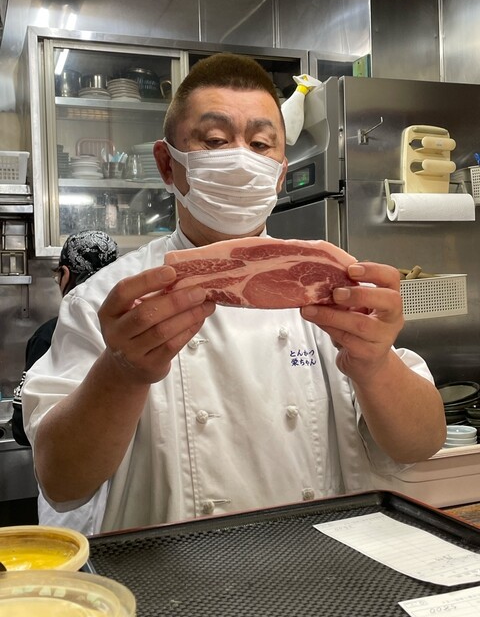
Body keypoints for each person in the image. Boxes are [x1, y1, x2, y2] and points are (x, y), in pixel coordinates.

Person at [22, 53, 446, 535]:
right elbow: (61, 483)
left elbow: (421, 444)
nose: (242, 159)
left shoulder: (332, 286)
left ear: (280, 173)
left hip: (317, 566)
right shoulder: (108, 300)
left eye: (261, 144)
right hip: (169, 573)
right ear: (167, 164)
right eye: (216, 140)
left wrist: (374, 364)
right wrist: (121, 373)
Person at [12, 230, 118, 446]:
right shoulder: (133, 327)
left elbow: (22, 428)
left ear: (66, 274)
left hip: (66, 461)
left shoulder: (49, 335)